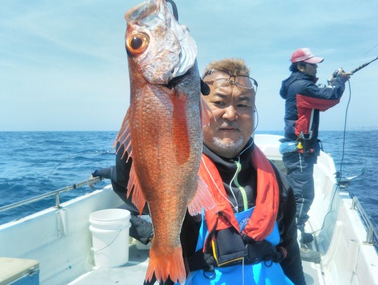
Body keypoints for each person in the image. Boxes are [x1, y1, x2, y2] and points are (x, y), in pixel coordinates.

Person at [111, 58, 305, 284]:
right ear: (196, 107)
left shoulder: (277, 180)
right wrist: (151, 101)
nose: (231, 114)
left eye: (243, 105)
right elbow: (125, 184)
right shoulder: (177, 169)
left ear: (254, 113)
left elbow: (289, 248)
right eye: (219, 102)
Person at [279, 48, 351, 261]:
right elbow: (330, 98)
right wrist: (339, 82)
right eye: (312, 63)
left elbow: (318, 96)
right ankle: (294, 242)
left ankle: (292, 231)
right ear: (301, 66)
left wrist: (333, 80)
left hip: (298, 149)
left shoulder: (296, 84)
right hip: (300, 151)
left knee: (297, 193)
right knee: (303, 196)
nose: (316, 66)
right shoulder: (302, 86)